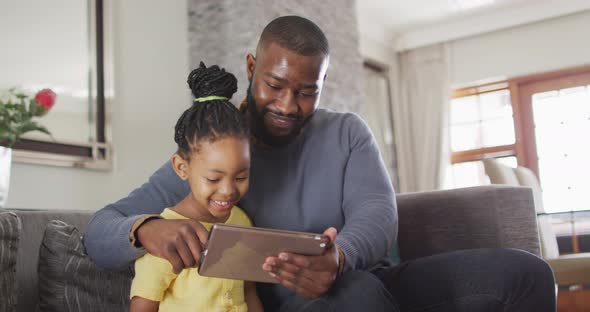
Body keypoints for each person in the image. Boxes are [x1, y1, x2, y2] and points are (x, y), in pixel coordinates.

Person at [84, 15, 556, 312]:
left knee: (525, 274)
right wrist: (146, 229)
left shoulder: (346, 132)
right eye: (275, 85)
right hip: (291, 303)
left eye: (307, 91)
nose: (289, 105)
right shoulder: (212, 153)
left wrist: (340, 258)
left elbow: (378, 214)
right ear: (252, 68)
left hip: (365, 279)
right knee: (357, 296)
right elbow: (99, 230)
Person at [128, 63, 263, 312]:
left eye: (241, 176)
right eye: (213, 179)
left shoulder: (242, 222)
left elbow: (249, 292)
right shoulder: (166, 237)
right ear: (181, 167)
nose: (228, 190)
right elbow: (142, 307)